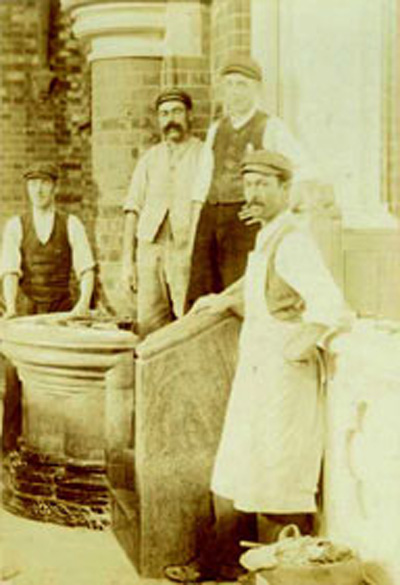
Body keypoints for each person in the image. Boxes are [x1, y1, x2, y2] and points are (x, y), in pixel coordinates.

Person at [165, 150, 353, 582]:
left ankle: (274, 574)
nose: (253, 193)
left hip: (285, 385)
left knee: (276, 481)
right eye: (249, 184)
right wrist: (223, 299)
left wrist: (295, 350)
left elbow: (333, 309)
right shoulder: (270, 234)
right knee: (236, 471)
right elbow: (257, 282)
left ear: (285, 190)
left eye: (264, 184)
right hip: (259, 377)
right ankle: (220, 564)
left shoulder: (295, 241)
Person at [185, 54, 314, 311]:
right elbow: (202, 182)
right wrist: (195, 229)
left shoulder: (270, 126)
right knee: (201, 291)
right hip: (210, 219)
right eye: (229, 85)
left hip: (244, 222)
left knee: (238, 295)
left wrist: (272, 210)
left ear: (256, 89)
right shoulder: (216, 129)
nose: (234, 93)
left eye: (242, 85)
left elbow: (304, 169)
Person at [1, 160, 95, 454]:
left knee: (62, 377)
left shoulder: (71, 224)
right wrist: (13, 309)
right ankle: (10, 447)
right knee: (14, 378)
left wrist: (81, 305)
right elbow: (10, 271)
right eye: (33, 184)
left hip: (60, 309)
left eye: (44, 183)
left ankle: (58, 447)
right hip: (27, 309)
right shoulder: (16, 225)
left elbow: (87, 269)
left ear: (55, 187)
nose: (38, 189)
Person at [122, 87, 204, 337]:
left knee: (187, 322)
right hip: (150, 251)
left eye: (177, 111)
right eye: (164, 113)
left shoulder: (202, 154)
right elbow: (132, 209)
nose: (171, 119)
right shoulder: (149, 159)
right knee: (148, 324)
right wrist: (128, 261)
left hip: (185, 250)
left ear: (189, 115)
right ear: (159, 120)